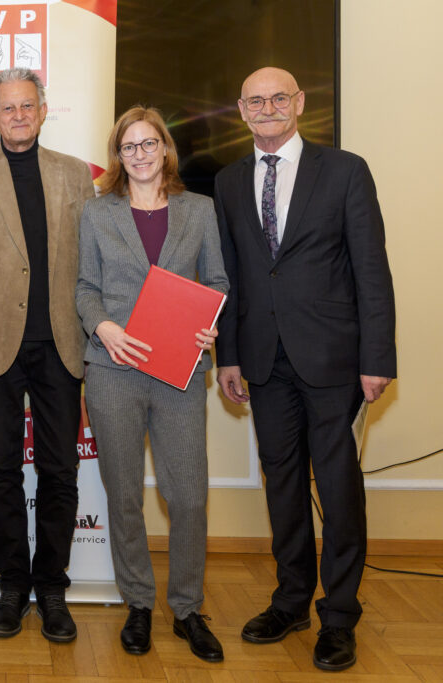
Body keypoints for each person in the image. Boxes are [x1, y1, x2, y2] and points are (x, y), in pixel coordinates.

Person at [214, 67, 396, 671]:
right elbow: (235, 278)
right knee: (283, 483)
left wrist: (377, 358)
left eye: (278, 98)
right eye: (255, 101)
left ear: (299, 104)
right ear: (242, 111)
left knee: (338, 487)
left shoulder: (345, 170)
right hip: (263, 363)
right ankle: (291, 600)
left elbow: (372, 270)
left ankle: (338, 614)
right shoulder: (229, 182)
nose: (267, 108)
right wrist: (229, 356)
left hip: (334, 360)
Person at [0, 67, 94, 642]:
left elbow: (92, 261)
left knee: (60, 470)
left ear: (42, 108)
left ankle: (52, 588)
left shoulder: (74, 174)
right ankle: (12, 586)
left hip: (62, 346)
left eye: (27, 106)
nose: (18, 115)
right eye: (7, 108)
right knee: (1, 470)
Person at [76, 106, 228, 662]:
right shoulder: (97, 215)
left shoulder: (201, 211)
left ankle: (187, 608)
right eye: (128, 146)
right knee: (124, 495)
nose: (139, 154)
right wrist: (104, 326)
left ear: (165, 148)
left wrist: (211, 322)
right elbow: (84, 287)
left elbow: (215, 280)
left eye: (148, 144)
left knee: (187, 495)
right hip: (113, 370)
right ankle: (138, 603)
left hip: (179, 374)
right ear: (118, 157)